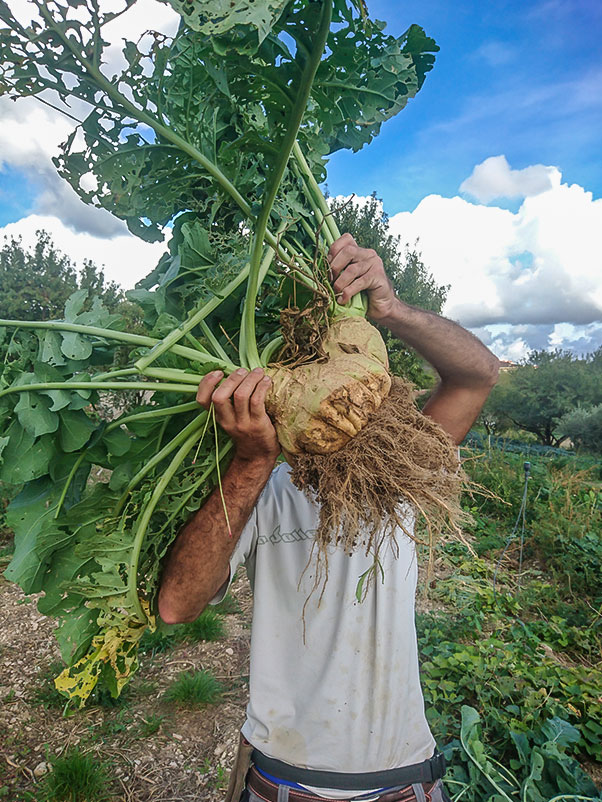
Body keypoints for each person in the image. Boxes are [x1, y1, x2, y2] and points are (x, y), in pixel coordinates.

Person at [157, 233, 500, 802]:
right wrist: (252, 461)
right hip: (292, 782)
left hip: (407, 778)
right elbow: (177, 605)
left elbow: (479, 374)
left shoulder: (401, 473)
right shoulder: (262, 487)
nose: (345, 413)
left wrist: (391, 310)